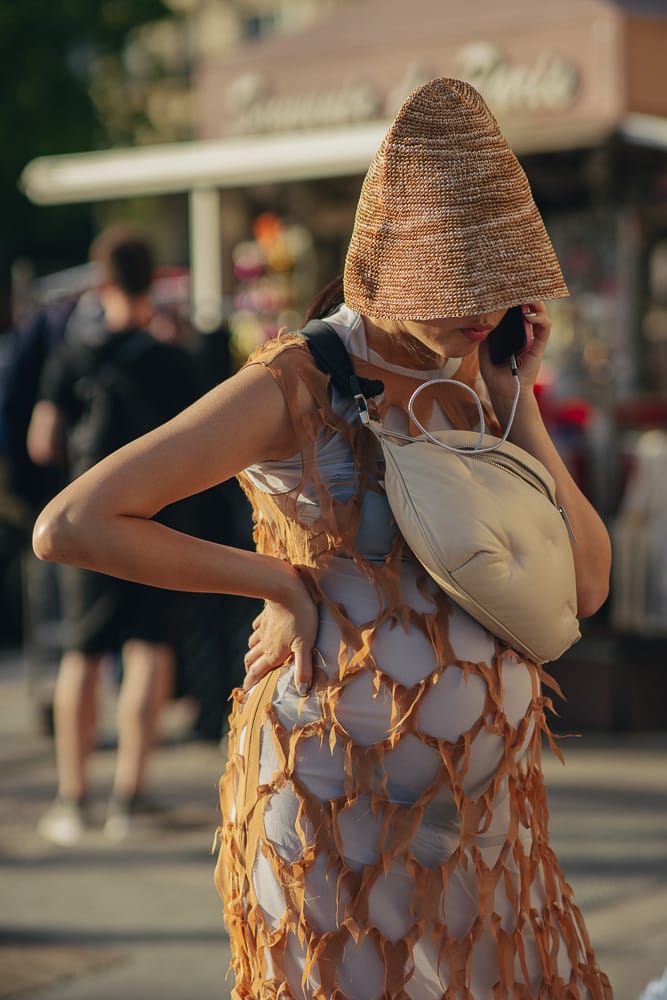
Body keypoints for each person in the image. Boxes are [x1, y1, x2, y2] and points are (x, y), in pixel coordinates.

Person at [32, 80, 612, 995]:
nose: (478, 309)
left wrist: (519, 407)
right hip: (331, 817)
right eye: (457, 286)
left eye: (497, 287)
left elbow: (582, 588)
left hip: (481, 826)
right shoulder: (299, 379)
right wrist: (277, 581)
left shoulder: (481, 379)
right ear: (393, 270)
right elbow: (72, 524)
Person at [28, 224, 202, 844]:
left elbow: (41, 440)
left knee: (84, 651)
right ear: (152, 278)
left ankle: (72, 800)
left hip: (88, 525)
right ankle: (131, 796)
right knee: (149, 648)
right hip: (158, 520)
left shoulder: (75, 355)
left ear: (101, 282)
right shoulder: (174, 358)